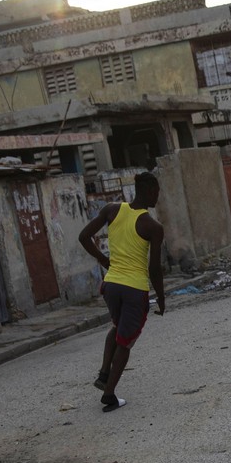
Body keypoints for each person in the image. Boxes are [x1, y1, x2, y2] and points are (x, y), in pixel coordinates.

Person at [78, 172, 166, 412]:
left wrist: (104, 261)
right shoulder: (153, 226)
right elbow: (154, 268)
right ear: (149, 191)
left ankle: (104, 373)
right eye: (157, 192)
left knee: (117, 329)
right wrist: (161, 297)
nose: (158, 196)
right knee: (125, 343)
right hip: (134, 289)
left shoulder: (111, 209)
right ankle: (109, 395)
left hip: (111, 285)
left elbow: (84, 236)